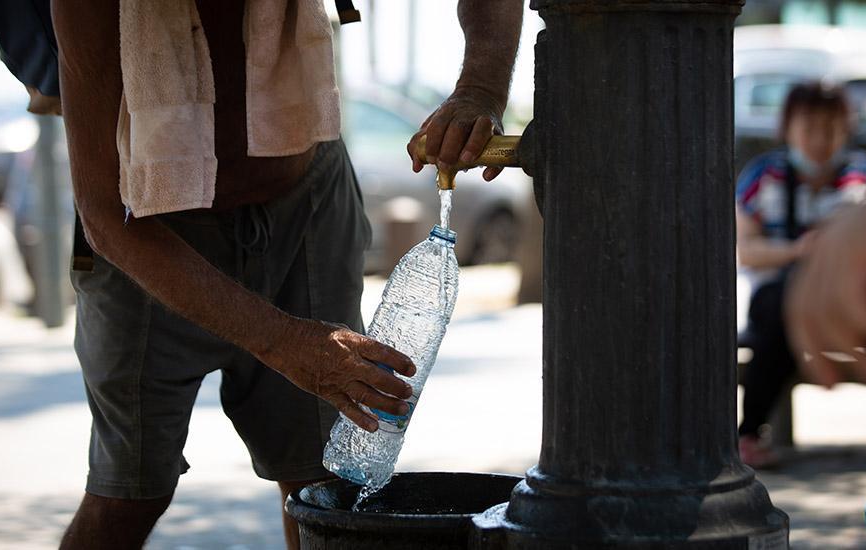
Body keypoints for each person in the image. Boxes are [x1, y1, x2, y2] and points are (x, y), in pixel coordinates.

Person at [45, 1, 524, 548]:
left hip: (305, 194)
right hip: (149, 224)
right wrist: (282, 341)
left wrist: (480, 88)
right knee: (127, 494)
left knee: (322, 482)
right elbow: (106, 218)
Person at [734, 82, 866, 468]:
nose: (820, 139)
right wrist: (799, 253)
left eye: (830, 127)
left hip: (854, 296)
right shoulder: (761, 176)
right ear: (788, 128)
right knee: (778, 325)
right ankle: (748, 434)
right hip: (776, 296)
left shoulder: (865, 176)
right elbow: (745, 249)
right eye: (809, 127)